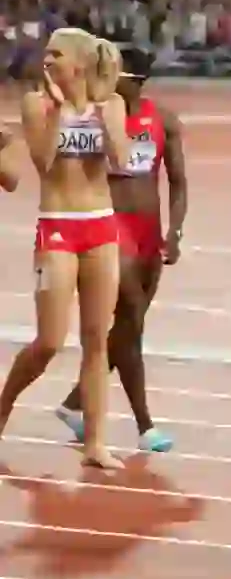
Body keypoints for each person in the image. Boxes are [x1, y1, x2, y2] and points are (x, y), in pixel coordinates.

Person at [0, 28, 128, 470]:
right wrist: (59, 111)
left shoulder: (112, 103)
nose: (47, 59)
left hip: (100, 227)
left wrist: (102, 116)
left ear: (78, 61)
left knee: (97, 340)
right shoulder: (37, 103)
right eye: (46, 53)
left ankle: (95, 442)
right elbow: (45, 162)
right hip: (57, 228)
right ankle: (2, 409)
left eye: (56, 53)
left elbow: (122, 160)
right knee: (49, 340)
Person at [53, 46, 186, 452]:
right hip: (109, 225)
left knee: (133, 326)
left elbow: (178, 181)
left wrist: (176, 231)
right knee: (130, 312)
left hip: (150, 231)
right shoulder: (91, 117)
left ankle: (76, 403)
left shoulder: (163, 119)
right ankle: (145, 425)